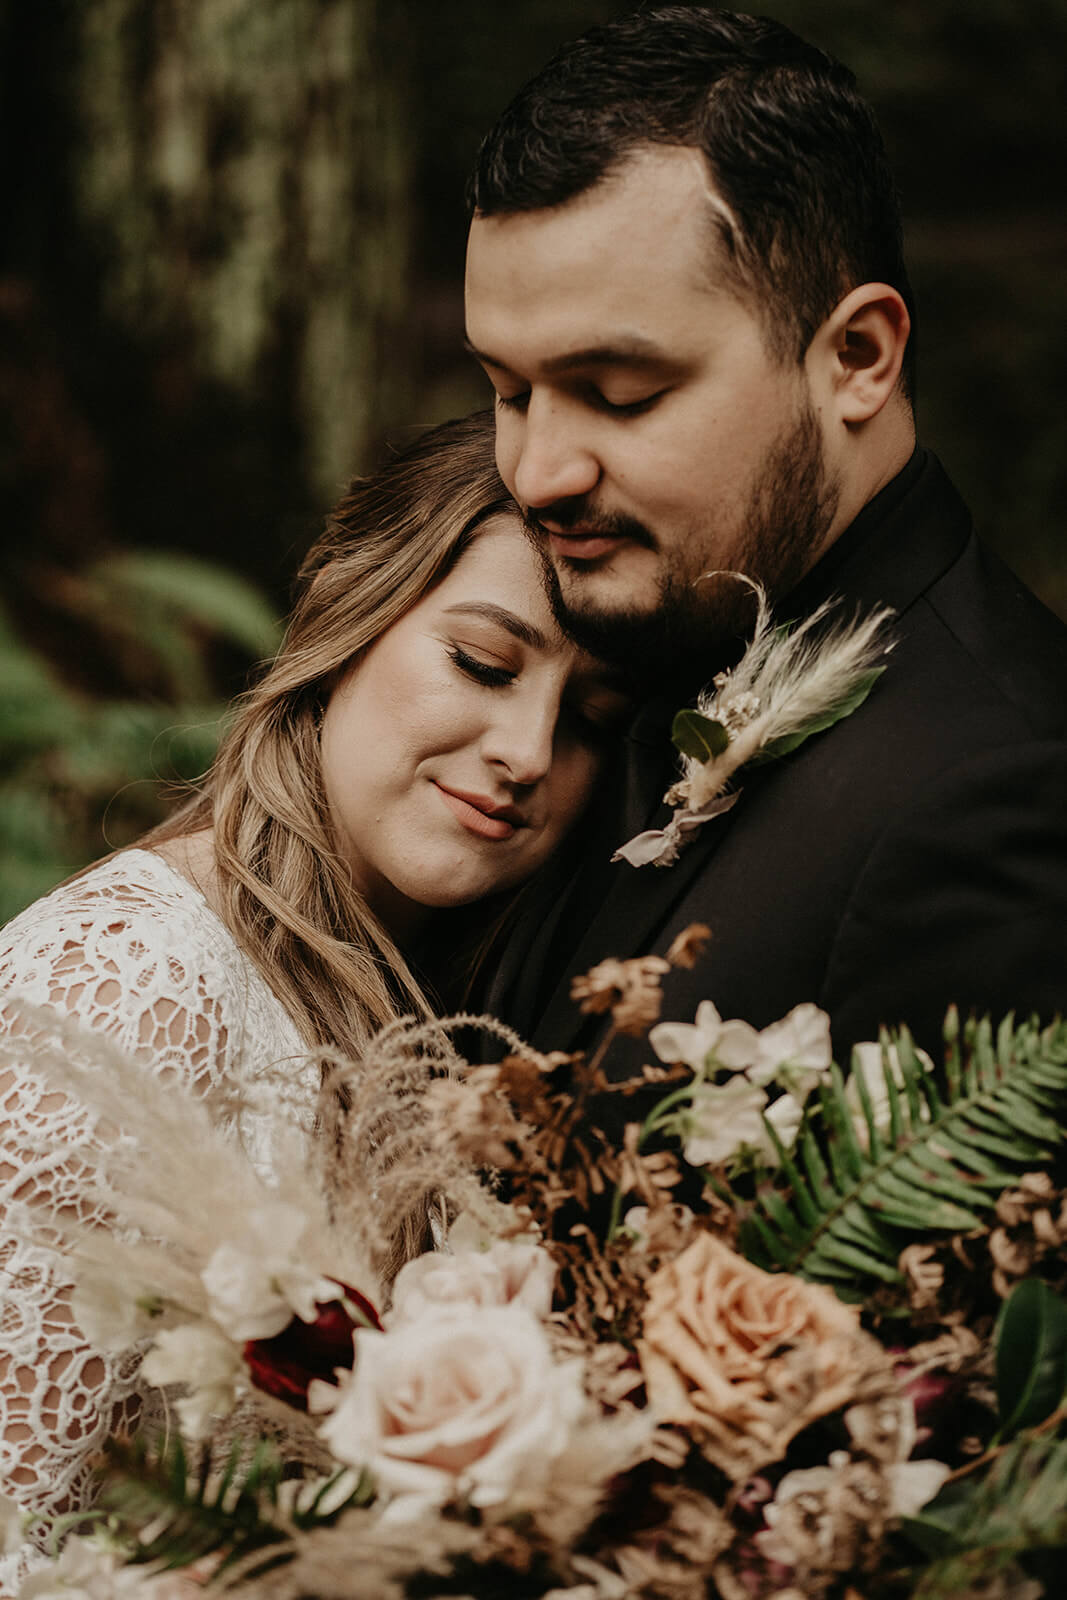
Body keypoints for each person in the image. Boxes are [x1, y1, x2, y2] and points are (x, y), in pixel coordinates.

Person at [0, 411, 627, 1584]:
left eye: (591, 722)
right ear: (347, 614)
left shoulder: (436, 1017)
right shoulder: (126, 986)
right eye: (482, 665)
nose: (528, 749)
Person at [463, 6, 1067, 1072]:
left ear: (856, 358)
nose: (535, 473)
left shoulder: (995, 804)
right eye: (507, 390)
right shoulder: (605, 682)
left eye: (619, 394)